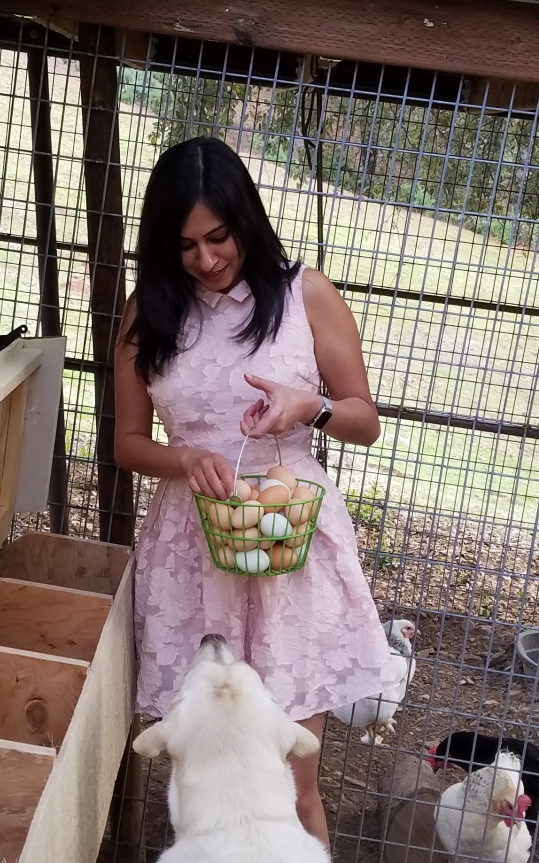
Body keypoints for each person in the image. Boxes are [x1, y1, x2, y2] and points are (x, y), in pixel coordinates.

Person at [114, 136, 393, 847]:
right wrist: (186, 457)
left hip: (288, 546)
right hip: (193, 550)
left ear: (247, 220)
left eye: (219, 237)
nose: (206, 259)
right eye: (185, 245)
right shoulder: (148, 310)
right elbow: (126, 442)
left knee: (291, 791)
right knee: (208, 795)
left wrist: (310, 407)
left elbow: (364, 419)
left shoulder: (306, 295)